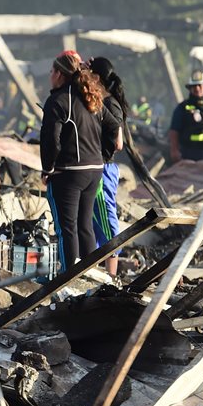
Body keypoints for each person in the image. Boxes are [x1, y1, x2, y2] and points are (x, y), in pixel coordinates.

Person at [40, 51, 120, 273]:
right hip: (95, 170)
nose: (50, 75)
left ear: (59, 74)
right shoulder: (91, 96)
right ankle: (90, 276)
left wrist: (47, 169)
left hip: (69, 172)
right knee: (85, 226)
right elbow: (114, 127)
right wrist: (102, 154)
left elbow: (50, 141)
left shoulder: (57, 100)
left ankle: (71, 278)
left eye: (51, 71)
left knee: (67, 229)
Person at [88, 57, 128, 277]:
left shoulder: (109, 104)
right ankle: (94, 273)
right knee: (93, 221)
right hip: (96, 167)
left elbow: (118, 142)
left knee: (105, 219)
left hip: (104, 168)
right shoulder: (98, 101)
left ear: (97, 78)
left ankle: (111, 277)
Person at [168, 71, 203, 163]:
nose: (197, 88)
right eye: (194, 86)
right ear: (190, 89)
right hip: (194, 154)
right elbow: (174, 130)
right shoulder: (183, 108)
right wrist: (174, 150)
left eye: (200, 85)